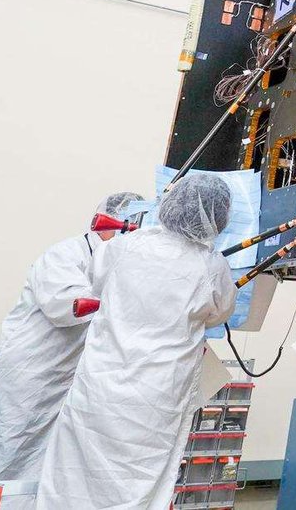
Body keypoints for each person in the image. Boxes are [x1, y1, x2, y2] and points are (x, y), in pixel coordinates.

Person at [36, 175, 237, 510]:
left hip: (99, 388)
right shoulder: (211, 267)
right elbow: (219, 313)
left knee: (71, 478)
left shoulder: (123, 247)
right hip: (155, 400)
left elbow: (96, 283)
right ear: (219, 219)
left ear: (171, 205)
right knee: (138, 488)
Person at [0, 190, 144, 485]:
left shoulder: (116, 265)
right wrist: (124, 305)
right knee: (0, 456)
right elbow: (66, 306)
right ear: (109, 223)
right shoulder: (66, 255)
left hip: (60, 383)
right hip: (24, 378)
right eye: (128, 225)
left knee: (34, 471)